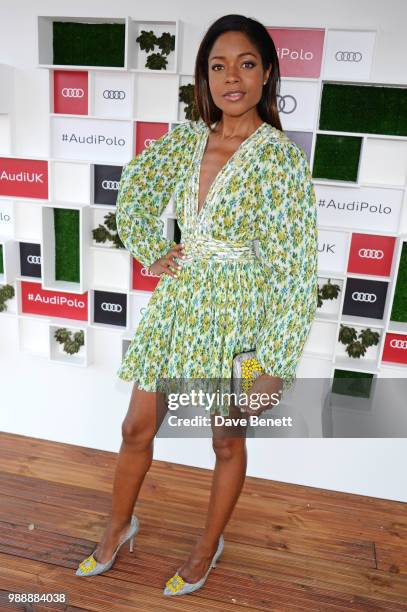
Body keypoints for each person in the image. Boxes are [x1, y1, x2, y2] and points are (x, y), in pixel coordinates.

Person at [75, 13, 318, 597]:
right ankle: (117, 526)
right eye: (218, 65)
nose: (231, 77)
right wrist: (153, 250)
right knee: (137, 426)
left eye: (246, 63)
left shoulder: (280, 161)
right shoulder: (187, 140)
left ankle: (207, 547)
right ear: (203, 78)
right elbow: (133, 190)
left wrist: (274, 369)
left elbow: (296, 271)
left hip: (243, 319)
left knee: (225, 438)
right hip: (180, 303)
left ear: (268, 74)